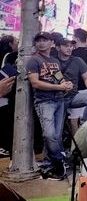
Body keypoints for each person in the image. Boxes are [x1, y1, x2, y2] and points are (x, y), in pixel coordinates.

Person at [25, 32, 73, 179]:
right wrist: (60, 87)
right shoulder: (34, 60)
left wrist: (66, 84)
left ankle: (48, 164)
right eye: (38, 40)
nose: (41, 43)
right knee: (49, 134)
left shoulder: (54, 61)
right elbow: (35, 83)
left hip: (59, 100)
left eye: (45, 40)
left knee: (55, 136)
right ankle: (59, 161)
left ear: (51, 43)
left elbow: (58, 78)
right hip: (44, 101)